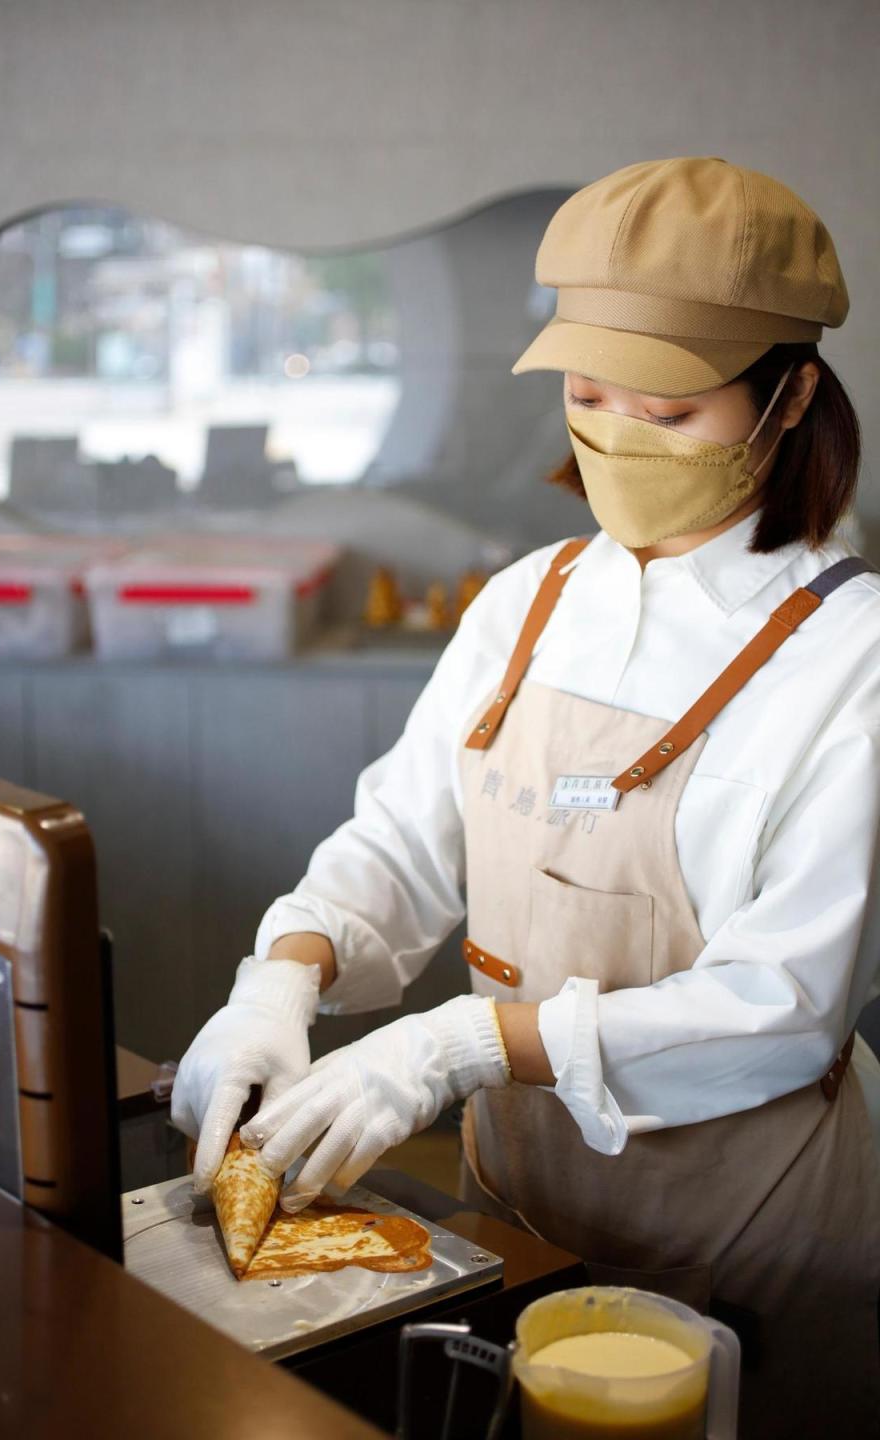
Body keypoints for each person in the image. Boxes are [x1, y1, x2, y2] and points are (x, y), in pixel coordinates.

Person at [172, 157, 880, 1437]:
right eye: (588, 395)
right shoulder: (531, 599)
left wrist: (461, 1045)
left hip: (753, 1237)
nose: (612, 437)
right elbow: (399, 838)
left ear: (792, 396)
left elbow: (785, 1004)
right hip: (520, 1213)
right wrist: (284, 972)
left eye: (664, 411)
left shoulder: (851, 657)